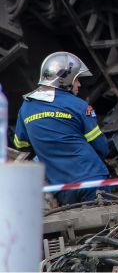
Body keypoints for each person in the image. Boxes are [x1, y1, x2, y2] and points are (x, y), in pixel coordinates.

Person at [12, 52, 110, 204]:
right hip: (92, 180)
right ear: (66, 80)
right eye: (77, 79)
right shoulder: (80, 106)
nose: (79, 84)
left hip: (62, 188)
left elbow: (21, 145)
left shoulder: (26, 108)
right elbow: (101, 147)